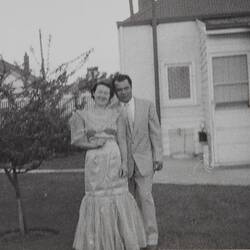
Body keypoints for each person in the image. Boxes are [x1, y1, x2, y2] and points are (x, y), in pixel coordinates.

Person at [70, 81, 146, 250]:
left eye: (106, 93)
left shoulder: (117, 114)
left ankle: (121, 239)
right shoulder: (82, 115)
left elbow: (123, 141)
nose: (102, 95)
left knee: (118, 196)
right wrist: (92, 145)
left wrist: (125, 164)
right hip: (94, 161)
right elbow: (76, 140)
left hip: (114, 158)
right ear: (93, 94)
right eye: (99, 92)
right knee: (97, 197)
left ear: (110, 96)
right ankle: (98, 242)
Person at [112, 74, 163, 250]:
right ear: (116, 92)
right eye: (119, 90)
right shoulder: (114, 109)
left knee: (145, 198)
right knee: (128, 202)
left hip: (144, 160)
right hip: (124, 164)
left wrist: (158, 156)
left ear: (131, 87)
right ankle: (132, 238)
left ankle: (151, 238)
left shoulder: (146, 105)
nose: (123, 92)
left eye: (126, 88)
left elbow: (155, 132)